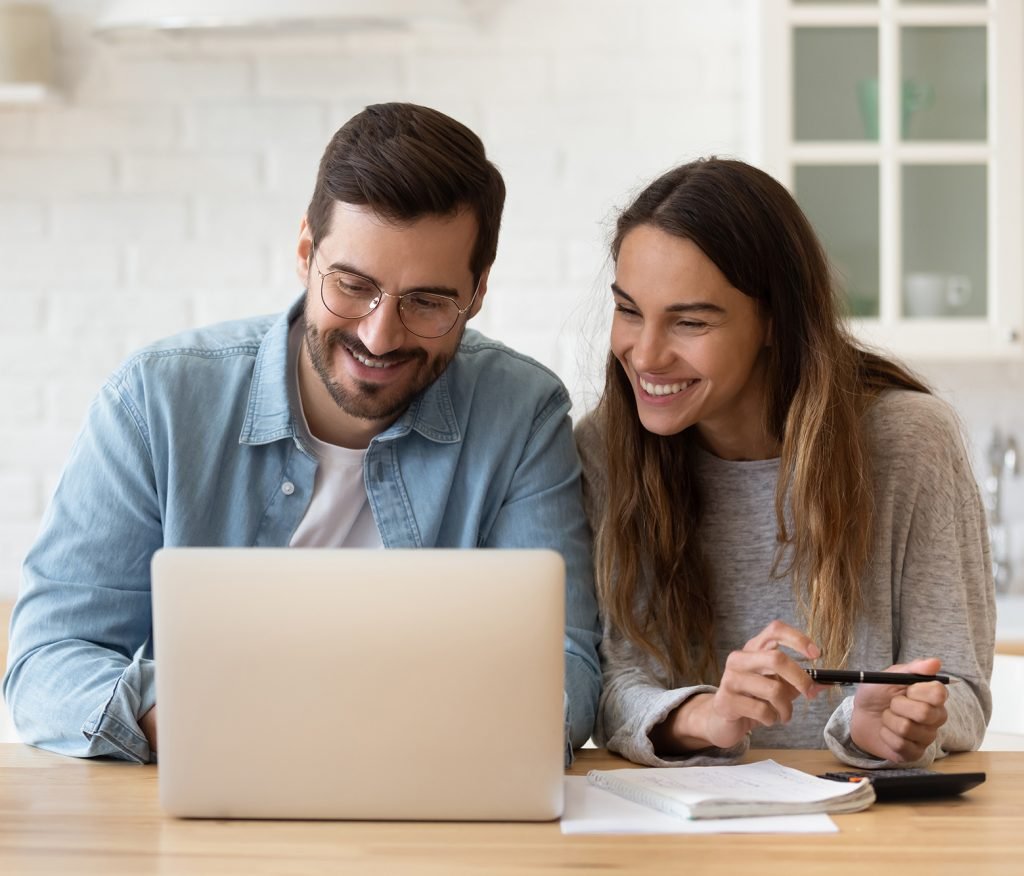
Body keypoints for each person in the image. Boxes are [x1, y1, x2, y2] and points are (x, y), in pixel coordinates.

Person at [3, 102, 600, 763]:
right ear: (305, 254)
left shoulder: (523, 415)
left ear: (478, 291)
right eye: (352, 286)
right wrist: (183, 715)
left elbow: (564, 666)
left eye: (426, 302)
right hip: (214, 805)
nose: (380, 335)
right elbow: (46, 662)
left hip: (430, 808)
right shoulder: (156, 402)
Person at [575, 157, 994, 769]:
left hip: (872, 832)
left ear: (775, 321)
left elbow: (959, 686)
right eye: (629, 310)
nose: (645, 354)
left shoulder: (910, 442)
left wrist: (889, 725)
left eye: (690, 321)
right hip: (684, 829)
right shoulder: (605, 447)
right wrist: (711, 715)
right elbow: (614, 685)